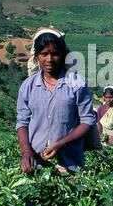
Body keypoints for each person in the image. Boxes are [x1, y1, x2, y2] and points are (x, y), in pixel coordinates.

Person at [16, 27, 96, 174]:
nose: (49, 59)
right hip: (37, 163)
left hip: (70, 164)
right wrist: (26, 152)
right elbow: (22, 122)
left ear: (63, 55)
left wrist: (61, 143)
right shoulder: (28, 86)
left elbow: (87, 121)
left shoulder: (76, 83)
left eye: (55, 54)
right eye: (44, 54)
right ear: (37, 56)